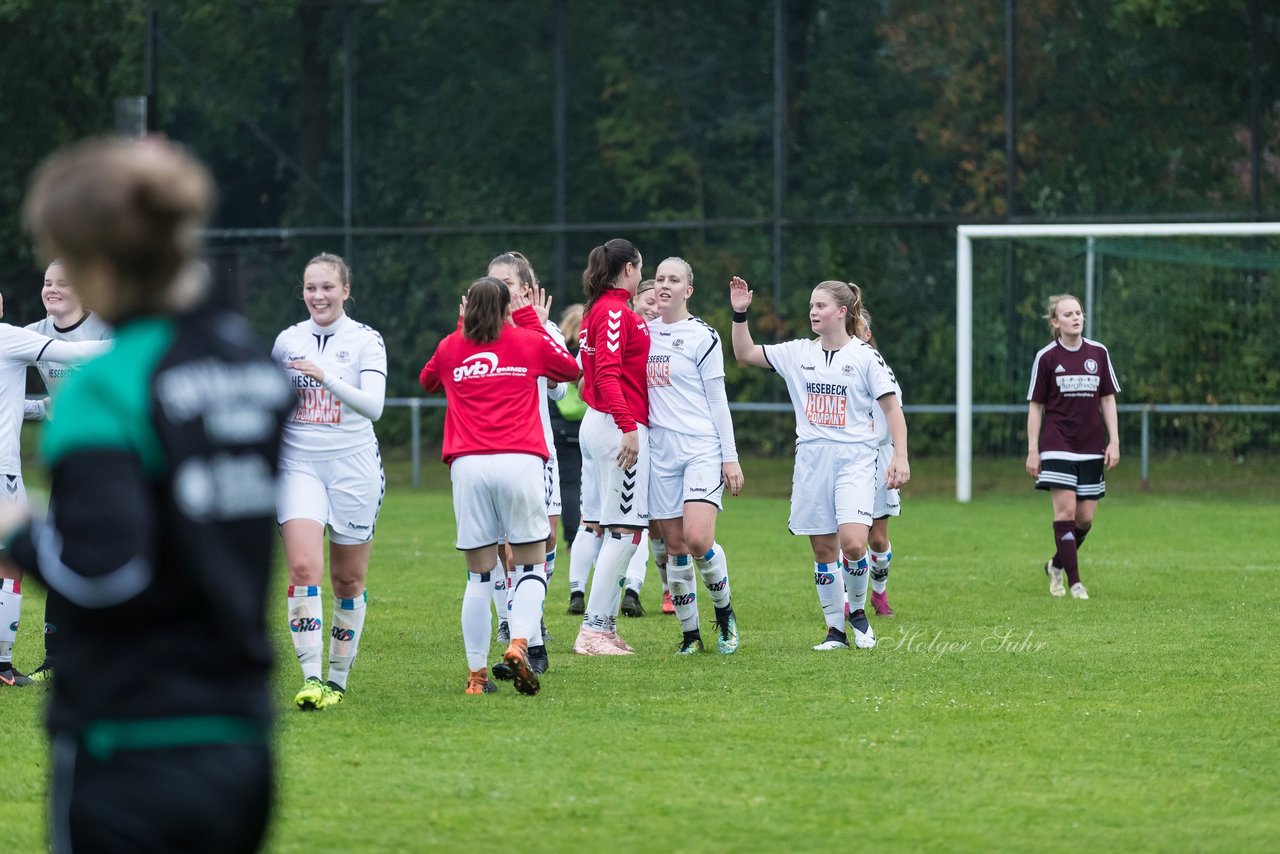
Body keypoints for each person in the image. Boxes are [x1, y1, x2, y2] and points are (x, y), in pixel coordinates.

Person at [5, 136, 291, 852]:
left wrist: (16, 530)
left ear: (100, 265)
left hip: (126, 740)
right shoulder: (249, 365)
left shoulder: (104, 389)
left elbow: (103, 574)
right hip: (241, 739)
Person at [729, 275, 908, 651]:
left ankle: (857, 614)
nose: (813, 311)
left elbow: (892, 408)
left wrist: (901, 458)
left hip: (856, 459)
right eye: (811, 305)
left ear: (842, 312)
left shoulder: (864, 355)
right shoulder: (798, 353)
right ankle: (835, 632)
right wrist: (740, 313)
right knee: (824, 551)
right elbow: (745, 354)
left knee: (855, 544)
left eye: (821, 305)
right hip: (812, 459)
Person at [420, 276, 580, 696]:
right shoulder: (527, 341)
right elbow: (571, 369)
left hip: (467, 465)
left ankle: (476, 678)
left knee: (478, 578)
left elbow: (427, 381)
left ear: (467, 307)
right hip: (520, 460)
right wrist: (528, 318)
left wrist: (461, 327)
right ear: (509, 307)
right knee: (529, 567)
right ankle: (519, 644)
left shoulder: (451, 345)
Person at [273, 252, 386, 710]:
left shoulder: (366, 341)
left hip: (354, 467)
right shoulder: (286, 341)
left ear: (345, 291)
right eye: (310, 288)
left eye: (327, 287)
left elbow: (374, 407)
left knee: (348, 580)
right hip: (297, 464)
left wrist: (327, 377)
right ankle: (312, 678)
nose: (317, 296)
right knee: (303, 568)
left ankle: (337, 680)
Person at [0, 287, 111, 688]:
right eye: (47, 281)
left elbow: (11, 398)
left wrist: (43, 407)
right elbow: (78, 354)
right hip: (6, 469)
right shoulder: (14, 335)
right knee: (12, 565)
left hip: (99, 456)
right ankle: (4, 664)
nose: (51, 289)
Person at [646, 257, 744, 654]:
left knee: (698, 538)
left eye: (674, 280)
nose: (664, 285)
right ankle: (690, 635)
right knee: (674, 548)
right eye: (659, 279)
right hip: (659, 452)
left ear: (688, 290)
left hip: (701, 448)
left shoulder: (704, 336)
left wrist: (730, 457)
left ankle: (724, 616)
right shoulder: (643, 333)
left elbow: (718, 400)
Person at [571, 238, 651, 656]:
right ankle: (594, 631)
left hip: (600, 423)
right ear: (629, 269)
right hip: (616, 426)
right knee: (624, 531)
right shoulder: (615, 311)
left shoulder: (597, 309)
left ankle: (604, 626)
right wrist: (628, 426)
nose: (642, 275)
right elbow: (606, 372)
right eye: (640, 268)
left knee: (615, 528)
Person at [486, 251, 564, 677]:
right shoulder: (480, 329)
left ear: (526, 289)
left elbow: (559, 381)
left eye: (508, 283)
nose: (500, 289)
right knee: (505, 549)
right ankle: (516, 623)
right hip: (490, 455)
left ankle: (525, 617)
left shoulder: (544, 327)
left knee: (544, 540)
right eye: (493, 281)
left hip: (537, 451)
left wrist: (536, 326)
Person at [1026, 293, 1120, 600]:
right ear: (1055, 322)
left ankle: (1056, 564)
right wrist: (1033, 449)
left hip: (1092, 447)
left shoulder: (1099, 353)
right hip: (1057, 445)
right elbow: (1036, 406)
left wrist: (1114, 440)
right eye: (1068, 314)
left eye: (1078, 312)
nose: (1076, 317)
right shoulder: (1047, 357)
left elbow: (1107, 398)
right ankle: (1075, 582)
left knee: (1085, 518)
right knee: (1065, 511)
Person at [857, 309, 901, 618]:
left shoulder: (877, 366)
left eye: (856, 328)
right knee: (851, 537)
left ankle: (879, 594)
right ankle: (848, 599)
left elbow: (894, 412)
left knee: (877, 537)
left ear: (868, 334)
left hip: (879, 456)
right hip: (848, 456)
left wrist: (900, 455)